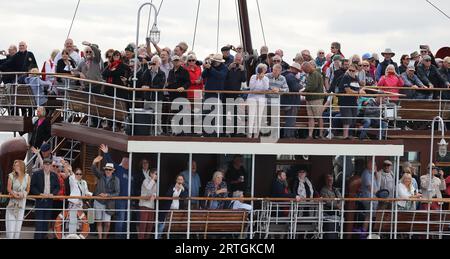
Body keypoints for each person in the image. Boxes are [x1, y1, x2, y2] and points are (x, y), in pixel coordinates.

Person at [100, 144, 131, 239]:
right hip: (120, 199)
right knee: (120, 219)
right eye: (125, 161)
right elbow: (111, 162)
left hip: (129, 200)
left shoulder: (131, 172)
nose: (127, 163)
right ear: (123, 162)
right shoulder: (119, 169)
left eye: (128, 161)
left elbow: (133, 187)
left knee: (126, 220)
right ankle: (119, 237)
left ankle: (125, 237)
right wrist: (106, 153)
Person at [30, 158, 60, 239]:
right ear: (43, 165)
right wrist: (39, 194)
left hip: (49, 202)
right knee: (39, 223)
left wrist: (53, 194)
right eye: (46, 164)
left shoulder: (54, 175)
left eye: (49, 165)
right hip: (40, 201)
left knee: (46, 223)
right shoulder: (36, 174)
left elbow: (57, 187)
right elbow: (32, 187)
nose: (47, 166)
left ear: (51, 166)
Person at [91, 156, 120, 239]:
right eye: (106, 169)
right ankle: (100, 238)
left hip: (109, 204)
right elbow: (93, 170)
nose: (108, 171)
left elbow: (117, 193)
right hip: (98, 202)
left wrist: (107, 195)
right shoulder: (101, 175)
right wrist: (94, 162)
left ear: (113, 171)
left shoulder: (116, 179)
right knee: (99, 222)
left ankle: (104, 237)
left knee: (107, 223)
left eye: (110, 169)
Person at [338, 64, 365, 139]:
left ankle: (350, 135)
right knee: (347, 119)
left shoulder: (356, 78)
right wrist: (359, 93)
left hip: (353, 101)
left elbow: (360, 87)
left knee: (353, 119)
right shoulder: (345, 77)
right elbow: (348, 90)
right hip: (345, 101)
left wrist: (361, 90)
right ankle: (345, 136)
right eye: (349, 70)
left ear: (356, 71)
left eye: (353, 70)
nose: (351, 72)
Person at [157, 174, 189, 239]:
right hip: (168, 209)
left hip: (177, 211)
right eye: (178, 179)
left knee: (174, 226)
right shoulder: (172, 187)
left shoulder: (184, 189)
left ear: (183, 181)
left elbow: (185, 196)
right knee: (162, 224)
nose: (180, 181)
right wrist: (174, 188)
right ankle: (158, 237)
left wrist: (182, 189)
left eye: (181, 179)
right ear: (176, 180)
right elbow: (167, 194)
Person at [5, 160, 30, 239]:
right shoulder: (11, 176)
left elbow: (28, 189)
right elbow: (8, 189)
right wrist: (14, 194)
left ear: (21, 166)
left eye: (17, 165)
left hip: (22, 202)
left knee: (18, 227)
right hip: (13, 202)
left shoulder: (27, 176)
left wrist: (23, 194)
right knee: (11, 227)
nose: (15, 167)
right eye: (14, 165)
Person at [66, 165, 92, 236]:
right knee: (72, 222)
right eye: (77, 174)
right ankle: (71, 236)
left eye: (80, 174)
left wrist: (92, 194)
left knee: (79, 223)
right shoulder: (72, 180)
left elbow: (86, 191)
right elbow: (72, 176)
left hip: (80, 204)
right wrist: (70, 171)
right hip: (73, 204)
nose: (78, 175)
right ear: (75, 174)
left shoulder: (84, 182)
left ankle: (78, 236)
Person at [302, 61, 325, 139]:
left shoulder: (315, 74)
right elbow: (312, 86)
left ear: (308, 67)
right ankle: (311, 135)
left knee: (318, 117)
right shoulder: (312, 74)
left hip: (316, 99)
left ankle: (320, 134)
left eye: (305, 70)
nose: (304, 72)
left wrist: (303, 91)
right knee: (312, 117)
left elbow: (313, 86)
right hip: (311, 98)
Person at [247, 63, 269, 138]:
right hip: (252, 98)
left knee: (258, 117)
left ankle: (256, 134)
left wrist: (262, 79)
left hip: (261, 99)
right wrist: (257, 78)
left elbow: (266, 88)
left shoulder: (266, 78)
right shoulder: (253, 77)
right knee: (251, 116)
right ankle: (249, 134)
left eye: (263, 69)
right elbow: (251, 87)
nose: (261, 71)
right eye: (260, 69)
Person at [281, 63, 302, 138]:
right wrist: (301, 85)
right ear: (293, 69)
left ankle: (287, 135)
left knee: (289, 119)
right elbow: (296, 87)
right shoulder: (290, 76)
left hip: (286, 100)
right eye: (297, 70)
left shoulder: (283, 74)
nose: (297, 72)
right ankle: (289, 135)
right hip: (292, 101)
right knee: (291, 119)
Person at [359, 159, 379, 235]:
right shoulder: (366, 173)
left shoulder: (372, 174)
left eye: (375, 165)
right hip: (368, 198)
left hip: (374, 199)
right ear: (369, 165)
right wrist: (378, 194)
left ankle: (368, 233)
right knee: (368, 216)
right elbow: (369, 187)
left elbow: (377, 185)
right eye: (374, 164)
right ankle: (363, 233)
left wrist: (376, 173)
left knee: (371, 216)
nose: (375, 166)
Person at [138, 168, 157, 239]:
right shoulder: (145, 180)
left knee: (150, 225)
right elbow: (148, 188)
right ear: (151, 174)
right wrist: (153, 180)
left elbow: (155, 192)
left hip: (151, 206)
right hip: (144, 205)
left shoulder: (155, 182)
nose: (156, 175)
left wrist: (154, 195)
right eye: (155, 174)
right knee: (143, 225)